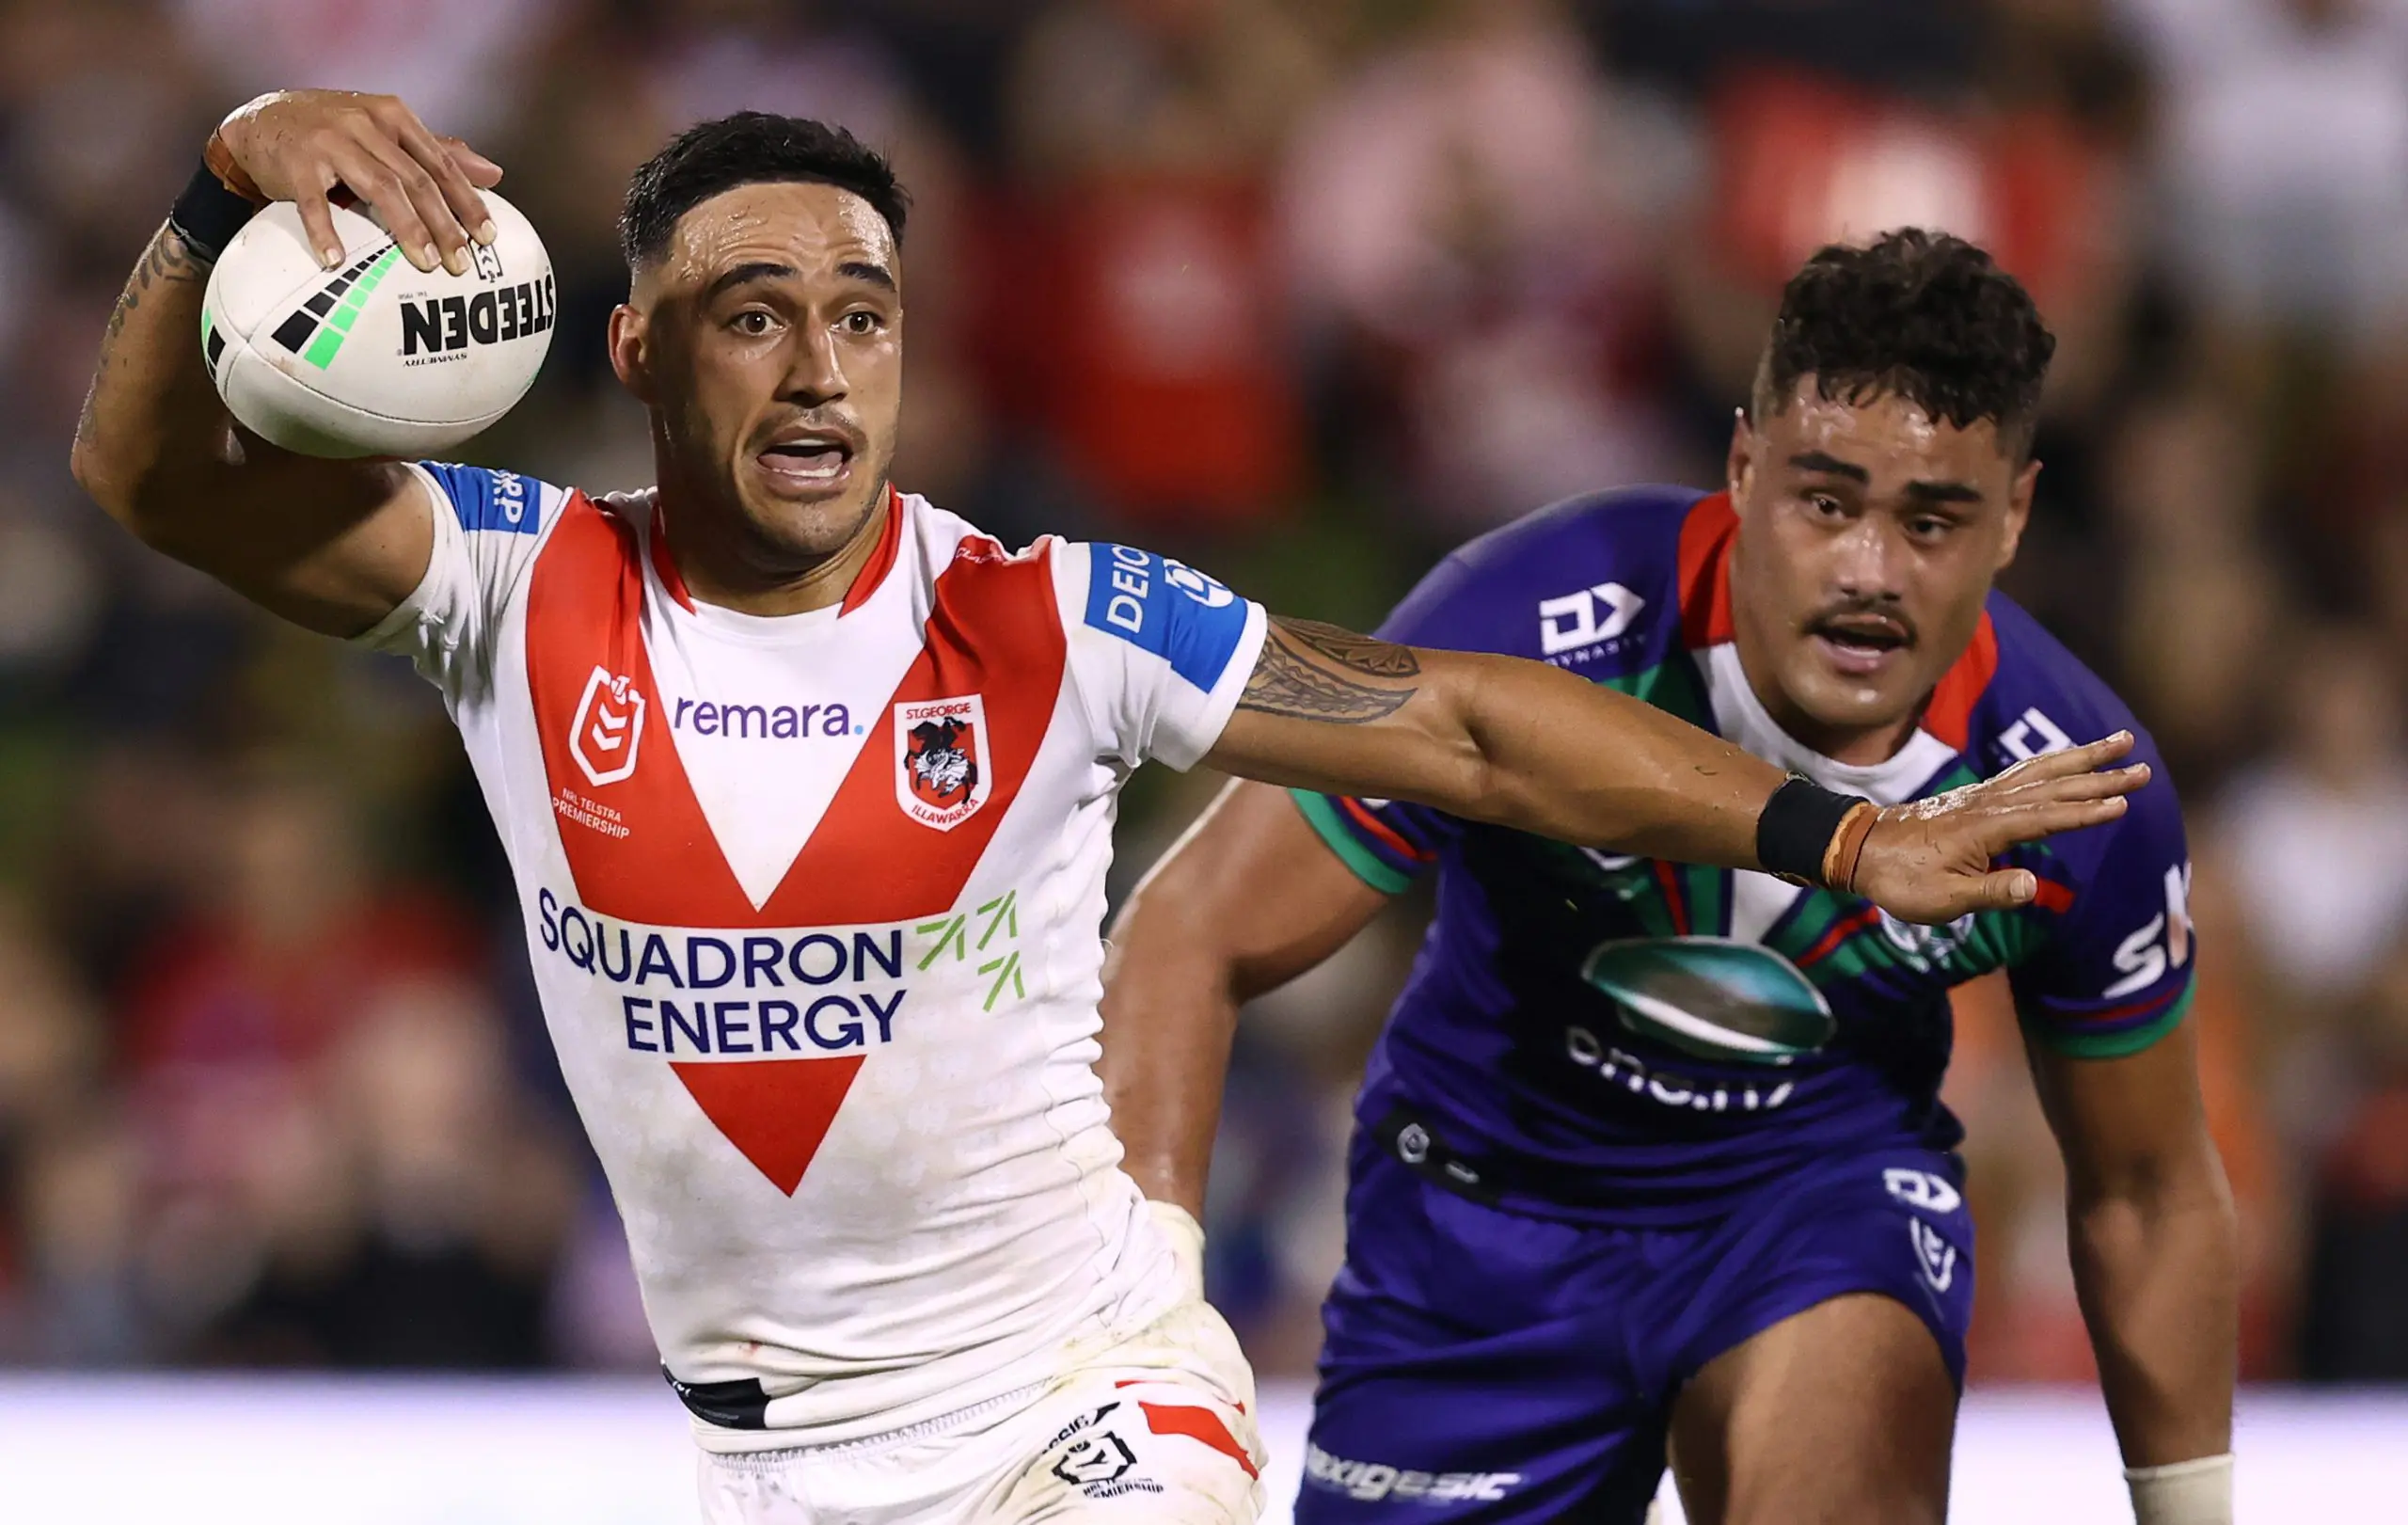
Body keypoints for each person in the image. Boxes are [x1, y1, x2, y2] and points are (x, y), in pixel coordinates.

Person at [71, 93, 2144, 1525]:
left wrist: (1832, 835)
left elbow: (1465, 728)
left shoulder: (1052, 619)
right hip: (769, 1460)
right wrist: (216, 190)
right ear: (634, 348)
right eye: (753, 315)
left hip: (1083, 1408)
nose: (817, 370)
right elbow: (147, 479)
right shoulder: (513, 588)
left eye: (862, 317)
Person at [1101, 230, 2238, 1525]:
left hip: (1813, 1206)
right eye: (1827, 502)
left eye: (1932, 522)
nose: (1870, 572)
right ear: (1743, 467)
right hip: (1484, 1213)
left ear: (2016, 516)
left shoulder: (2074, 788)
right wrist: (1145, 1336)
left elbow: (2148, 1192)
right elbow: (1193, 931)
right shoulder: (1532, 617)